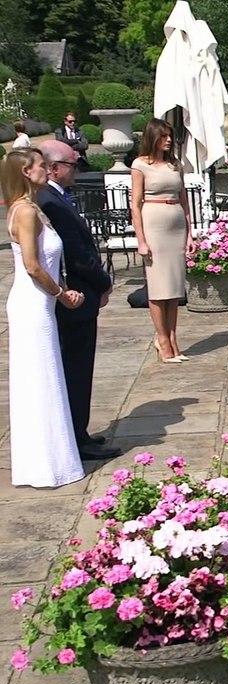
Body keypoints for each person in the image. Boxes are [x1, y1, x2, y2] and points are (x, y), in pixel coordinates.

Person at [2, 148, 86, 486]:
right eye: (40, 166)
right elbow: (33, 266)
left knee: (46, 378)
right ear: (26, 171)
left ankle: (50, 459)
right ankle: (46, 465)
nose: (46, 169)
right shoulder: (24, 211)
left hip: (41, 303)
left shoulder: (31, 206)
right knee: (41, 379)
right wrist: (62, 295)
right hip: (33, 305)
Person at [37, 140, 121, 462]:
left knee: (78, 368)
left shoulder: (56, 197)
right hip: (74, 297)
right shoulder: (50, 201)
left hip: (79, 294)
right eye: (73, 165)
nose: (77, 170)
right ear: (54, 168)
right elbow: (76, 254)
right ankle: (76, 436)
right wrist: (103, 281)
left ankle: (79, 431)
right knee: (76, 368)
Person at [131, 119, 196, 363]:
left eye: (170, 136)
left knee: (174, 287)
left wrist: (190, 233)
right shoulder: (140, 165)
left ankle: (173, 336)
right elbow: (135, 205)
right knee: (159, 287)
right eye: (164, 136)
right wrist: (141, 240)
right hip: (154, 225)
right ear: (153, 137)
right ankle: (162, 338)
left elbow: (185, 200)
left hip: (176, 224)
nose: (168, 140)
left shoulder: (175, 165)